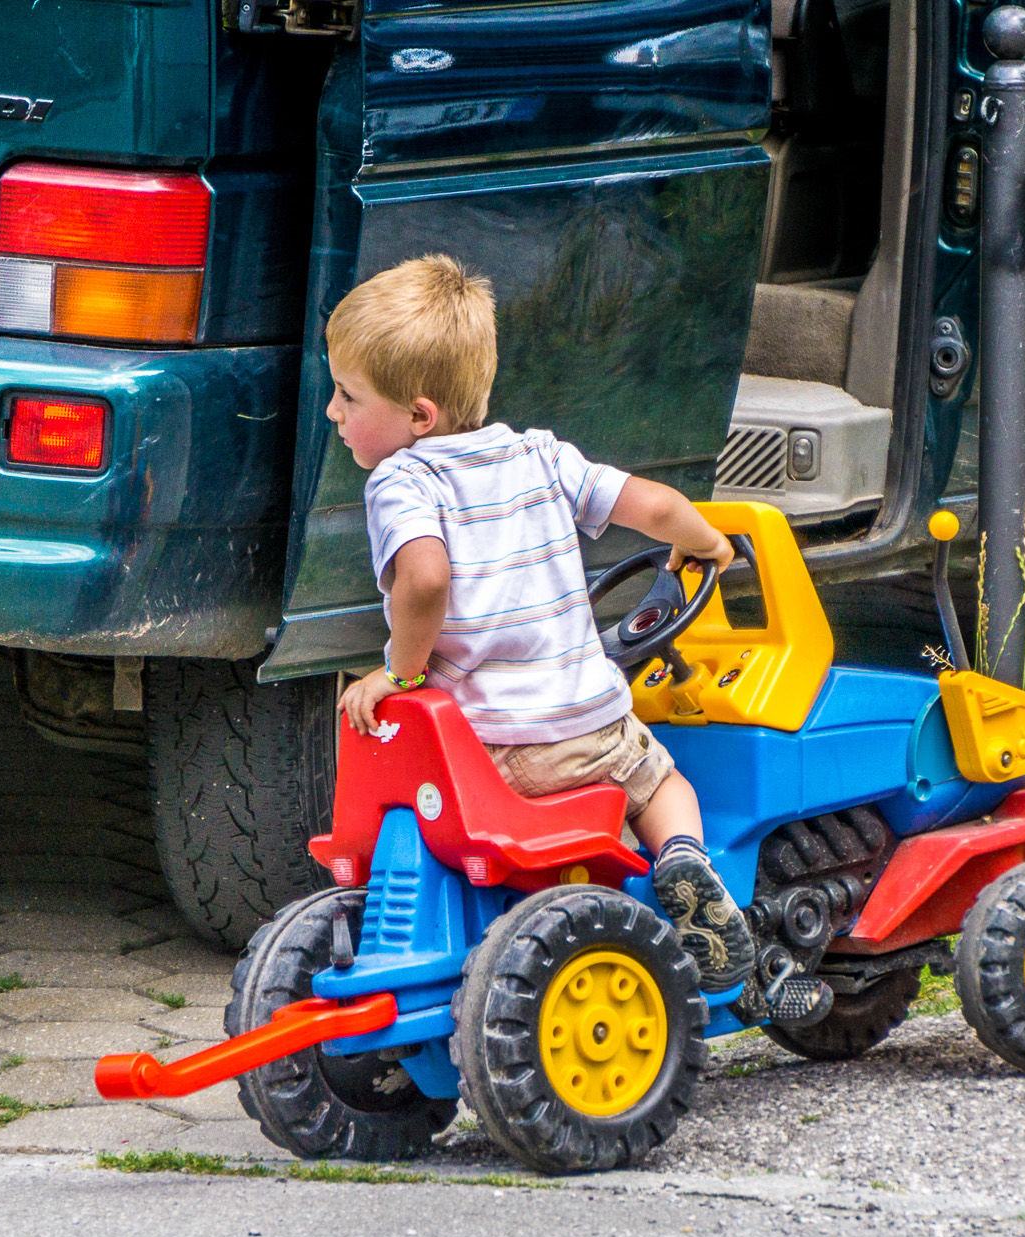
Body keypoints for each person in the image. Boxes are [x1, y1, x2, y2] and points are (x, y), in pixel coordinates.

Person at [324, 254, 829, 1026]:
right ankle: (686, 863)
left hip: (491, 754)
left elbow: (423, 582)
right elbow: (657, 508)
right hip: (592, 730)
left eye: (347, 396)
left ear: (418, 417)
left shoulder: (404, 481)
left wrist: (399, 670)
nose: (333, 411)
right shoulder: (541, 456)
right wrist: (709, 546)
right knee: (663, 784)